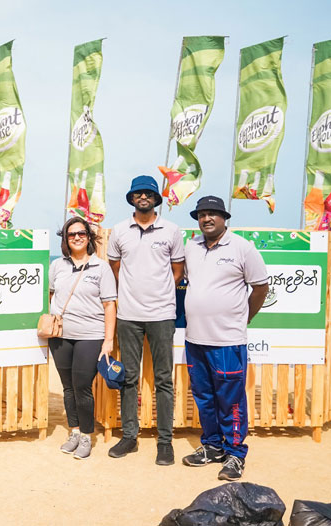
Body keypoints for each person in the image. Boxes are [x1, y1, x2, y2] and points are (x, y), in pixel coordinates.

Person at [181, 196, 268, 481]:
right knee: (204, 397)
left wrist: (244, 318)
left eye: (213, 214)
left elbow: (260, 287)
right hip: (195, 339)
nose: (207, 219)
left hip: (228, 340)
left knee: (230, 399)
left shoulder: (242, 247)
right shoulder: (191, 246)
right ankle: (212, 446)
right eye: (202, 214)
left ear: (224, 218)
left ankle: (235, 454)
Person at [106, 175, 184, 465]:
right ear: (131, 198)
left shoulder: (171, 230)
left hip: (163, 315)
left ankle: (165, 442)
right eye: (138, 193)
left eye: (148, 193)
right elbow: (115, 267)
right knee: (129, 378)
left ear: (156, 199)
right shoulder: (119, 230)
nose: (143, 197)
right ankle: (129, 436)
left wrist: (159, 294)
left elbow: (177, 270)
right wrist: (131, 291)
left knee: (164, 379)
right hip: (128, 316)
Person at [48, 217, 117, 460]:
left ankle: (87, 435)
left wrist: (108, 340)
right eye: (71, 234)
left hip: (91, 336)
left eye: (81, 233)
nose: (76, 237)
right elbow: (51, 294)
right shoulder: (58, 265)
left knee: (82, 386)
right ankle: (74, 431)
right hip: (61, 336)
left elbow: (110, 305)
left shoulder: (101, 267)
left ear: (89, 237)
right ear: (65, 239)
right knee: (68, 387)